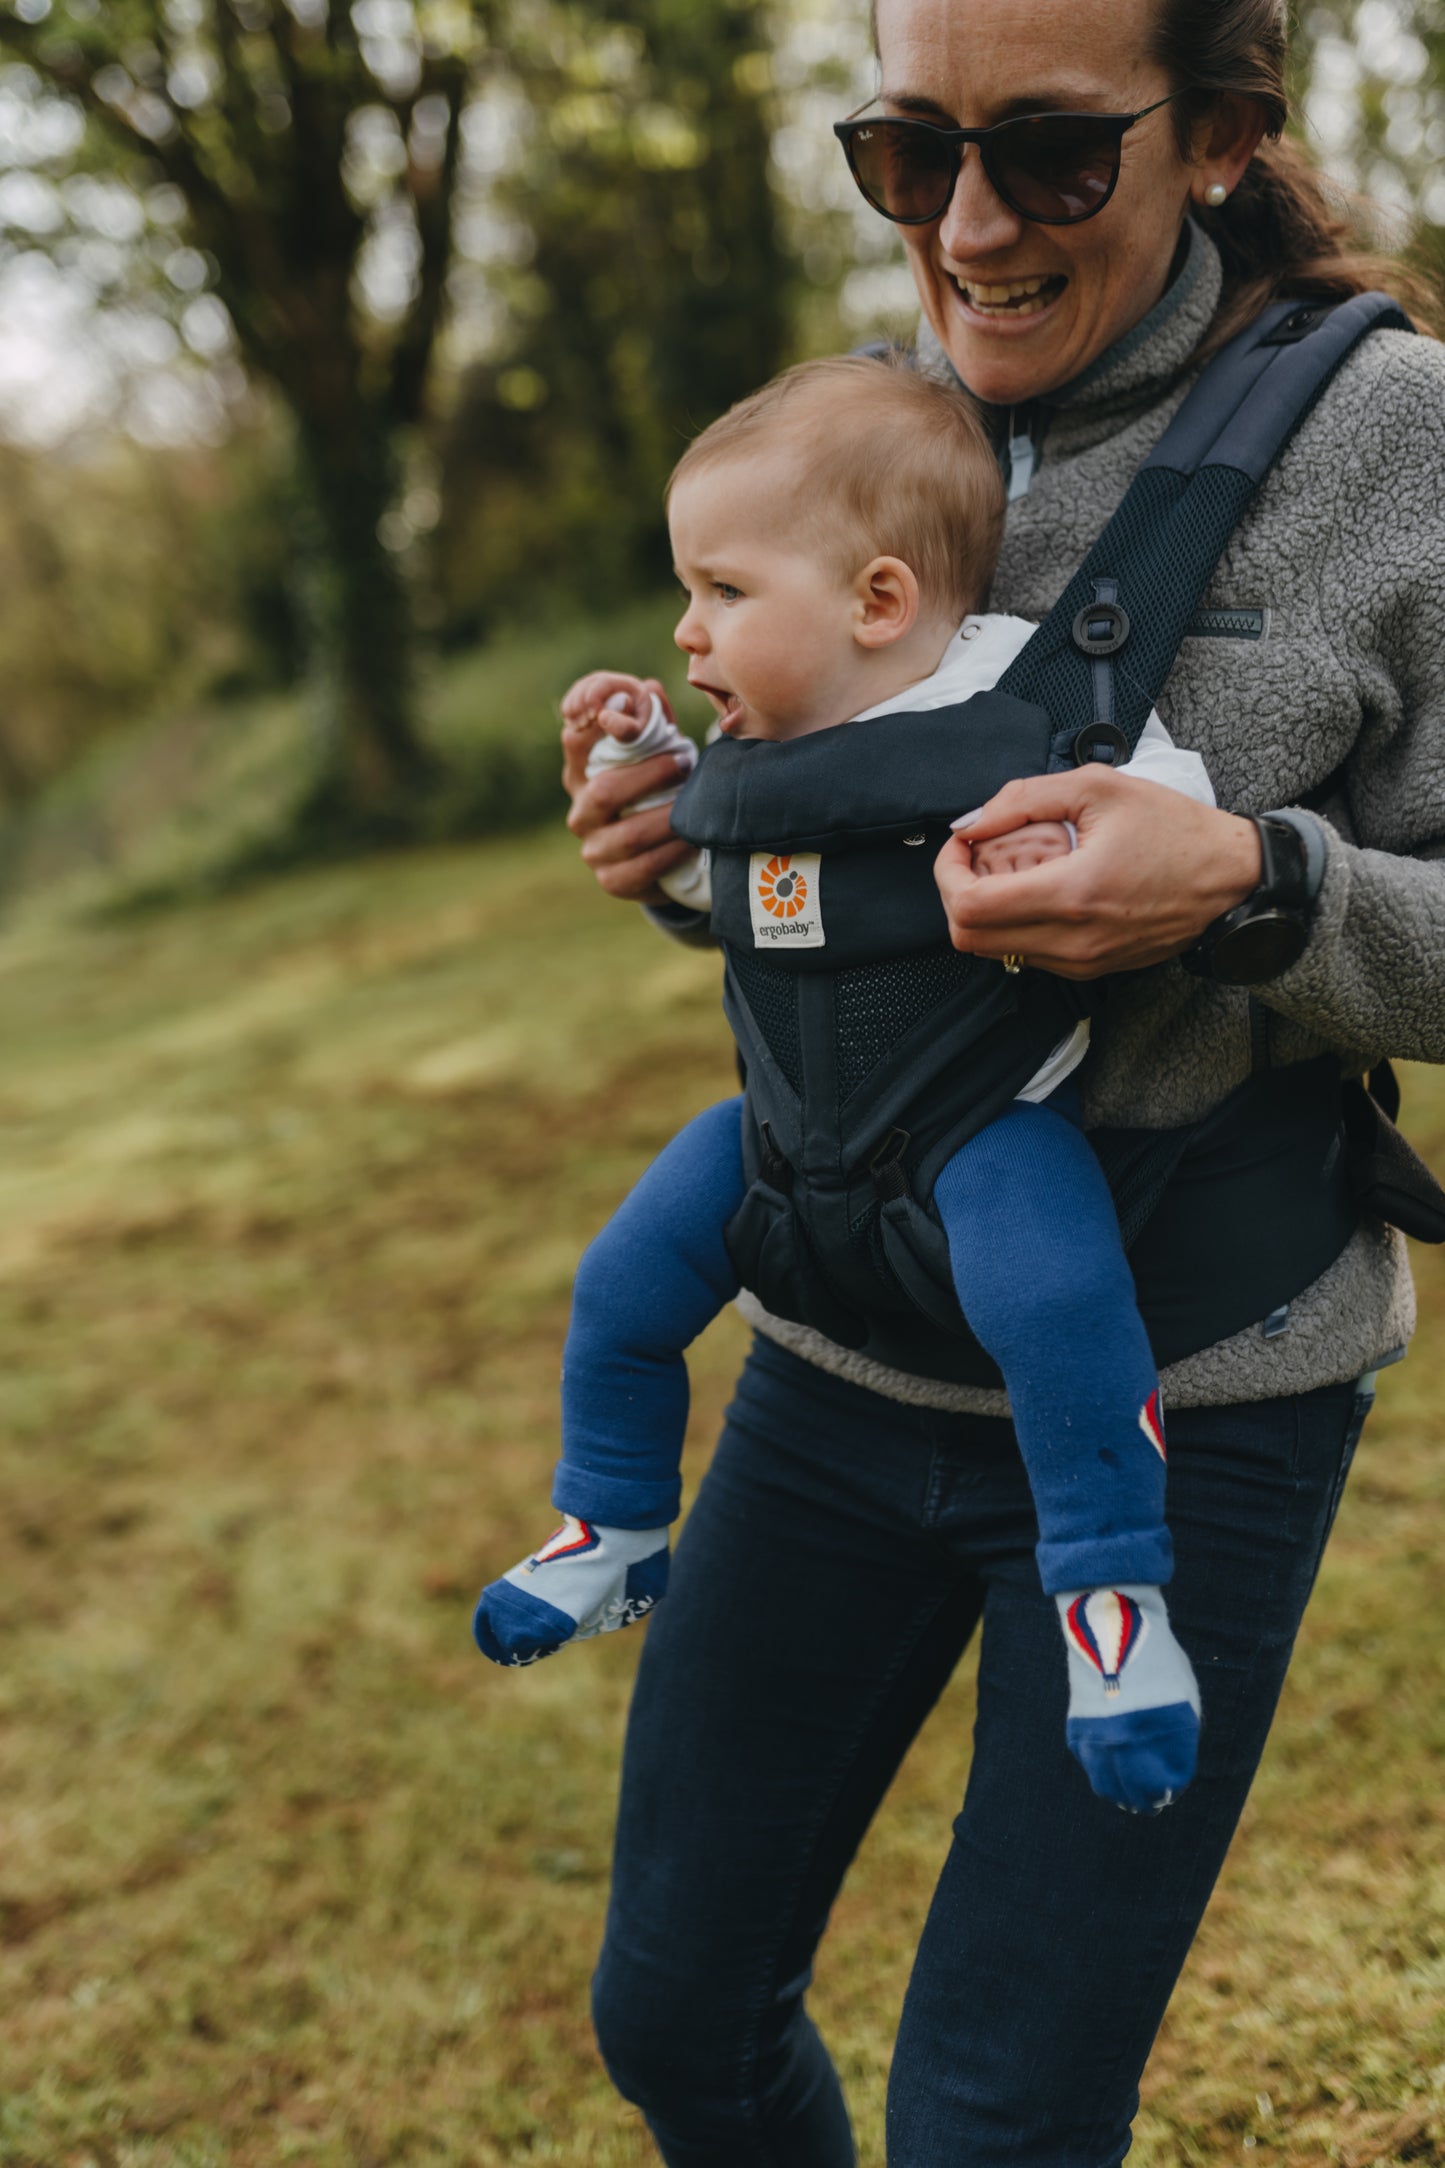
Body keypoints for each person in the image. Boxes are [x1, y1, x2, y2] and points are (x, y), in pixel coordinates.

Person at [554, 1, 1445, 2159]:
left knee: (994, 2115)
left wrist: (1250, 885)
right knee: (674, 2015)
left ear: (1220, 129)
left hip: (1188, 1398)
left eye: (1048, 154)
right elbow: (831, 859)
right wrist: (688, 848)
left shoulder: (1396, 439)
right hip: (831, 1356)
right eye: (907, 152)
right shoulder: (863, 431)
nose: (965, 226)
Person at [475, 356, 1215, 1816]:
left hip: (976, 1127)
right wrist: (640, 765)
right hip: (778, 1132)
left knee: (1060, 1310)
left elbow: (1163, 812)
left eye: (724, 592)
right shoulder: (761, 745)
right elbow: (717, 878)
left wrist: (1079, 850)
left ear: (877, 603)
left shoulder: (1010, 691)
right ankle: (612, 1523)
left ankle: (1111, 1607)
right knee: (623, 1281)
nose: (687, 628)